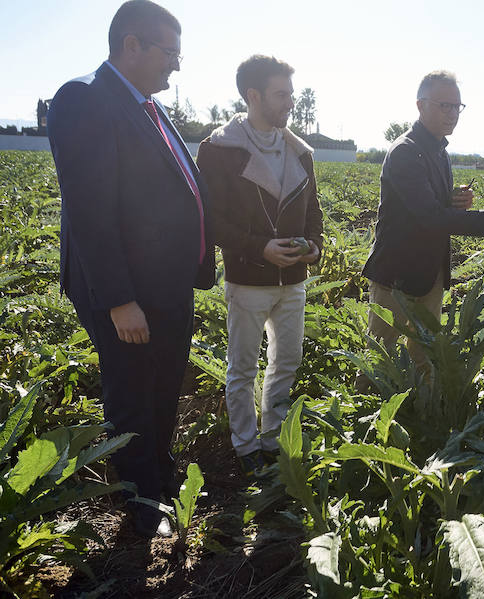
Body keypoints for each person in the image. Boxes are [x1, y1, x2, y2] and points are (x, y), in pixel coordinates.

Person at [47, 0, 214, 538]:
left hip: (164, 285)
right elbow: (91, 209)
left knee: (164, 385)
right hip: (127, 292)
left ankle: (159, 480)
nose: (177, 65)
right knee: (134, 389)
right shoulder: (86, 99)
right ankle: (141, 504)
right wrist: (119, 298)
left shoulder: (145, 104)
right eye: (170, 53)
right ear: (132, 45)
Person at [197, 56, 323, 475]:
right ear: (253, 96)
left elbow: (314, 215)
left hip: (293, 279)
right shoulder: (219, 151)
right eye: (281, 94)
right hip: (249, 278)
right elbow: (212, 221)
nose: (290, 101)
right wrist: (259, 247)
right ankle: (246, 445)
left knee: (286, 360)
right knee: (243, 365)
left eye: (290, 93)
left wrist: (314, 247)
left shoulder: (299, 151)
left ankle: (273, 438)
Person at [360, 70, 484, 377]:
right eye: (444, 105)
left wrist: (451, 199)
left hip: (429, 276)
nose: (452, 113)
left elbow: (428, 206)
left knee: (424, 357)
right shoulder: (405, 151)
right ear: (420, 105)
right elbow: (428, 216)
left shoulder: (438, 151)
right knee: (381, 359)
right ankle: (364, 422)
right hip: (396, 278)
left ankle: (423, 419)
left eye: (457, 106)